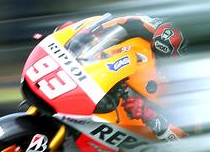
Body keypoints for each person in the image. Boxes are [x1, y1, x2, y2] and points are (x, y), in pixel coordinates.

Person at [57, 15, 189, 141]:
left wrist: (151, 116)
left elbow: (187, 144)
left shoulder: (190, 87)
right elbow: (113, 21)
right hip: (100, 84)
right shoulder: (150, 25)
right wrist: (80, 33)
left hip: (134, 138)